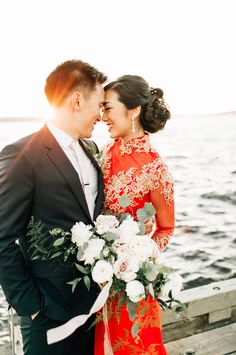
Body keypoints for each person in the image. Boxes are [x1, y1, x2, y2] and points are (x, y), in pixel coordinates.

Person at [0, 59, 107, 355]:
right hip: (48, 315)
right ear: (76, 100)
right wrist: (33, 307)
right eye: (98, 104)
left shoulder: (92, 151)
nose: (101, 114)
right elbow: (2, 238)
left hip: (92, 308)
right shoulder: (22, 154)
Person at [95, 75, 174, 354]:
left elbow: (165, 230)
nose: (102, 116)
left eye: (108, 108)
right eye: (102, 109)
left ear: (134, 110)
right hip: (96, 280)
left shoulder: (156, 169)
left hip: (131, 286)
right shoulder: (102, 153)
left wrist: (142, 250)